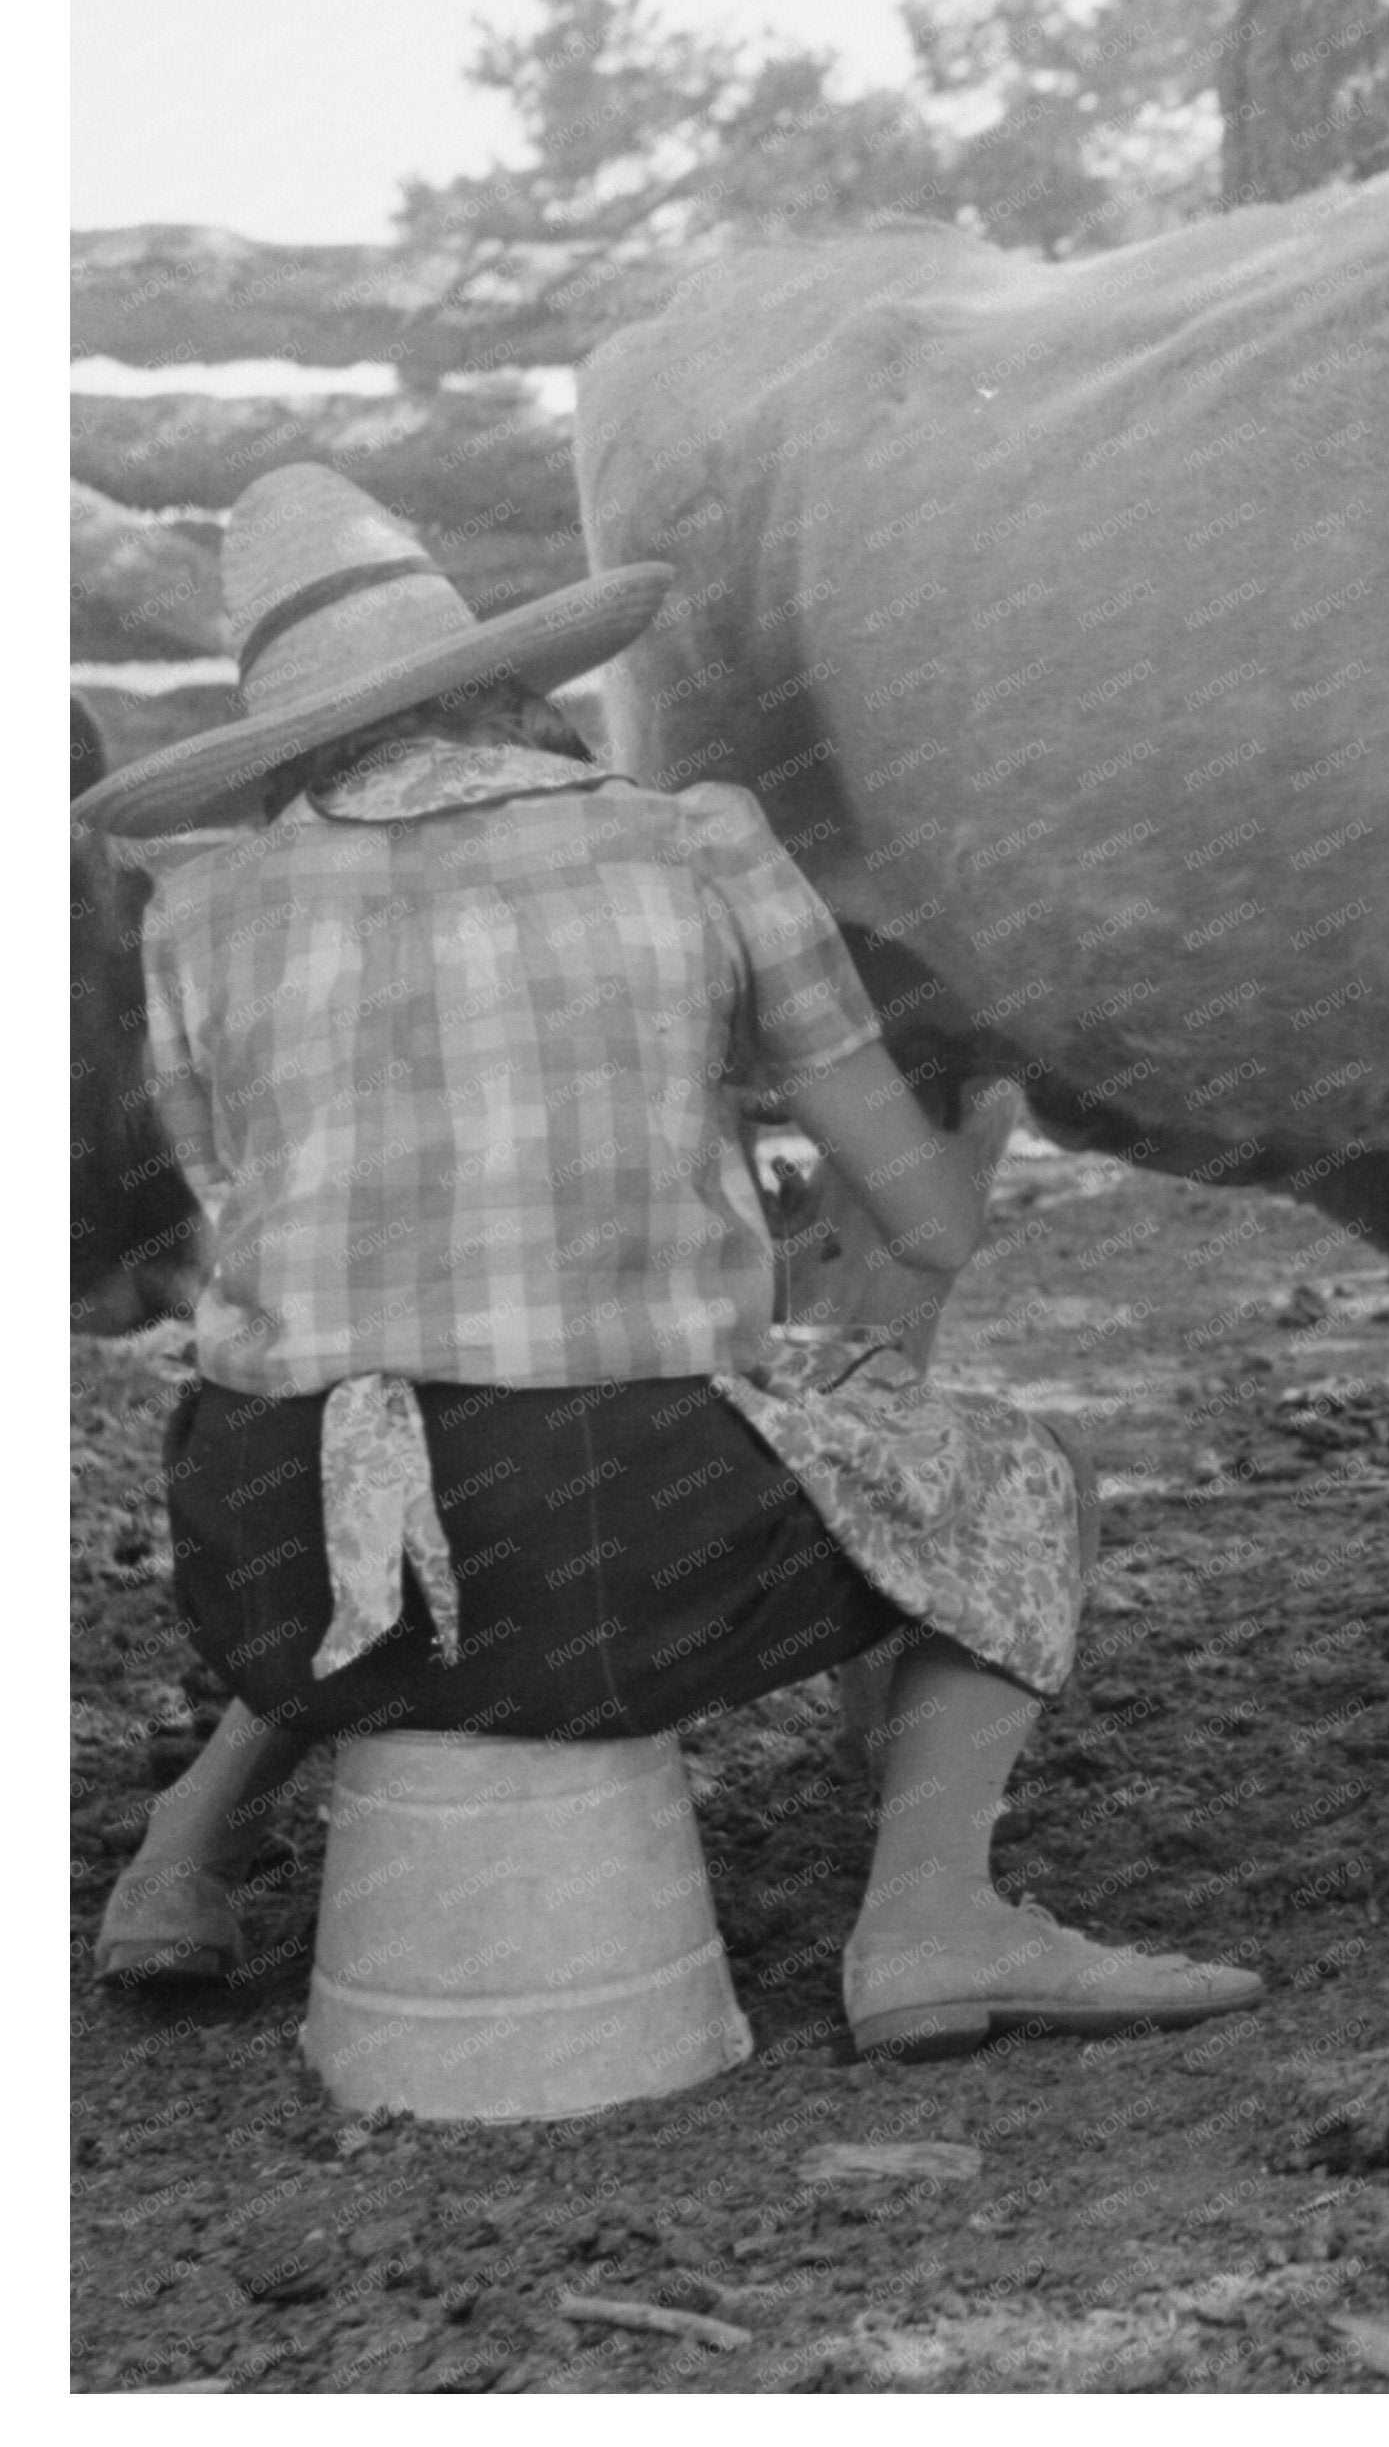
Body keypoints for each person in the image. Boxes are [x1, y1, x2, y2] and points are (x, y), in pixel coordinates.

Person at [75, 465, 1261, 2062]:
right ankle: (925, 1911)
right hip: (608, 1554)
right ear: (514, 684)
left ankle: (184, 1846)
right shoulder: (693, 846)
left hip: (268, 1557)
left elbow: (267, 1245)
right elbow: (923, 1221)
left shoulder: (199, 913)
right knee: (1017, 1472)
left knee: (388, 1433)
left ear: (288, 745)